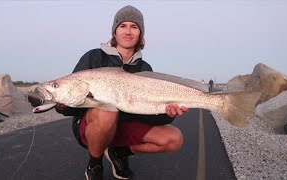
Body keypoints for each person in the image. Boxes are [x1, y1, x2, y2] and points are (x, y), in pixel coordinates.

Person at [55, 5, 188, 180]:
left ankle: (118, 153)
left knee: (174, 138)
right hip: (92, 126)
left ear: (140, 34)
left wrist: (168, 113)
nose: (128, 31)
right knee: (106, 110)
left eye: (134, 27)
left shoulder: (145, 69)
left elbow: (149, 116)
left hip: (124, 125)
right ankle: (95, 163)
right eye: (122, 26)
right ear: (114, 31)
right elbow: (71, 104)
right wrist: (62, 105)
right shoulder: (93, 57)